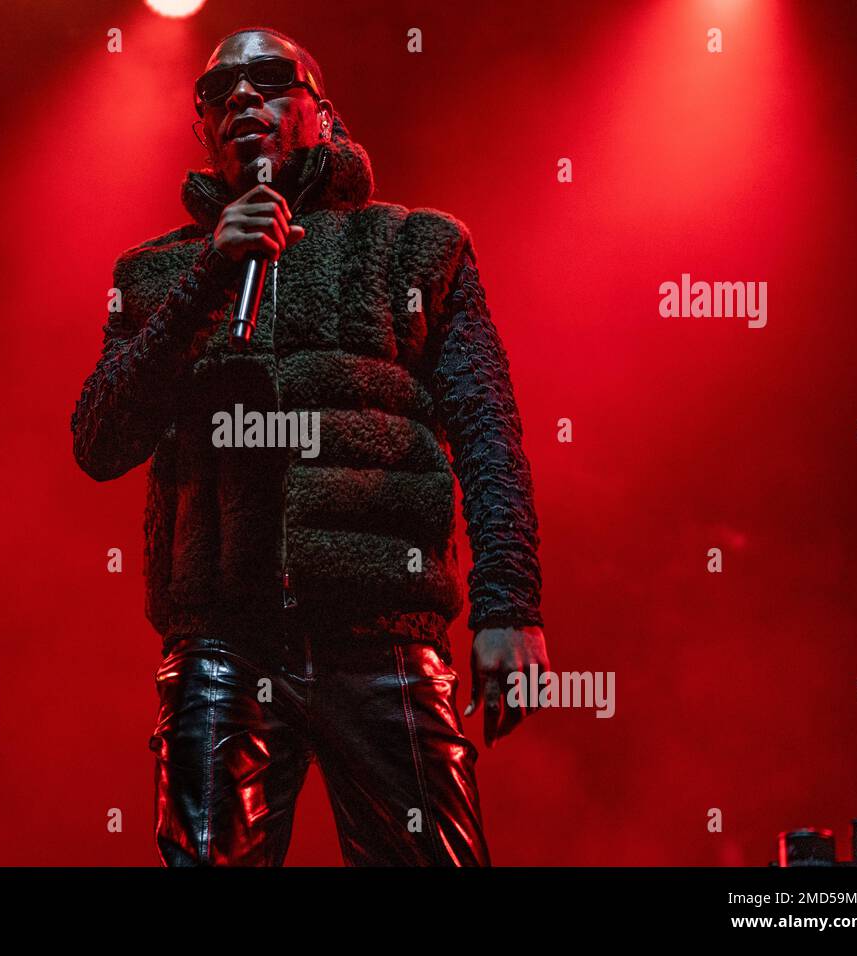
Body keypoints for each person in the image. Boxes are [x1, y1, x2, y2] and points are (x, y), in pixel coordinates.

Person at [70, 25, 549, 866]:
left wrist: (510, 605)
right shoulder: (153, 273)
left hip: (382, 631)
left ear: (323, 115)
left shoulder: (416, 245)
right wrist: (207, 279)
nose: (241, 100)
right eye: (218, 95)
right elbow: (100, 438)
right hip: (222, 634)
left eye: (268, 80)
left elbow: (486, 431)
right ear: (205, 131)